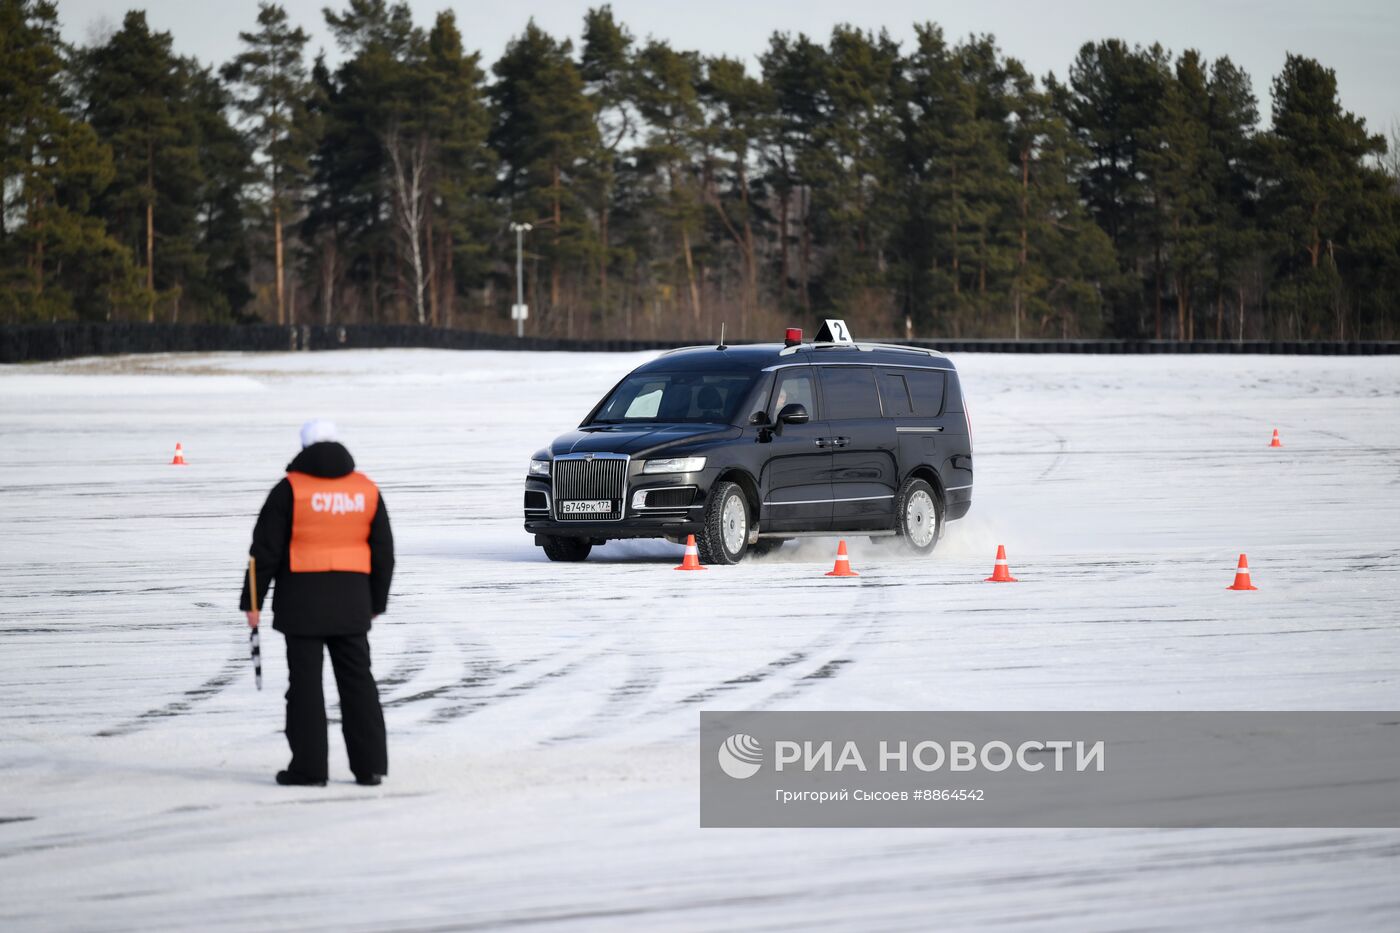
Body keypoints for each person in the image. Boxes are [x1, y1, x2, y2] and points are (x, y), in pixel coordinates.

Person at [240, 420, 394, 787]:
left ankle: (309, 769)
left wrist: (253, 600)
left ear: (303, 447)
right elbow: (384, 552)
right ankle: (369, 767)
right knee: (358, 683)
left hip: (301, 604)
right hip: (352, 603)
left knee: (305, 686)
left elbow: (264, 551)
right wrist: (376, 601)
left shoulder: (289, 490)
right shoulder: (365, 489)